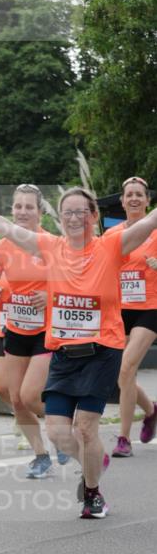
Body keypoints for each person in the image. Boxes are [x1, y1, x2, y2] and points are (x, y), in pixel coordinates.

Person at [0, 177, 157, 519]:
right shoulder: (50, 247)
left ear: (94, 215)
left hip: (102, 352)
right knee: (58, 432)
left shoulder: (111, 246)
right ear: (60, 216)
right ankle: (91, 466)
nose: (74, 218)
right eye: (67, 212)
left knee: (86, 427)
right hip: (65, 354)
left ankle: (92, 492)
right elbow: (3, 227)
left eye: (81, 212)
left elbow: (149, 221)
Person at [0, 184, 63, 477]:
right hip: (11, 326)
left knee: (29, 395)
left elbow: (74, 285)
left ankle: (61, 431)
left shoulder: (52, 244)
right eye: (18, 206)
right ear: (11, 210)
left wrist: (50, 295)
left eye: (29, 207)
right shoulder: (3, 246)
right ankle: (42, 455)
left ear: (40, 212)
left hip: (47, 328)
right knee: (9, 394)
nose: (23, 212)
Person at [106, 176, 157, 455]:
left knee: (127, 368)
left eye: (140, 194)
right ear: (123, 201)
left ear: (148, 200)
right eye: (130, 195)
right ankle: (150, 410)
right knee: (119, 373)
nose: (135, 198)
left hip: (150, 308)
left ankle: (123, 439)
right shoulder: (112, 235)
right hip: (118, 308)